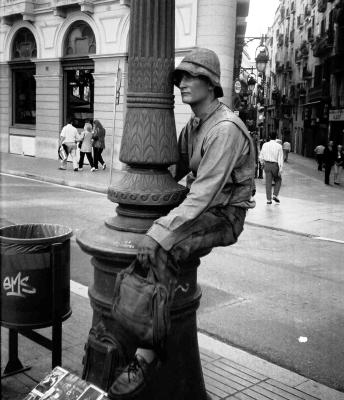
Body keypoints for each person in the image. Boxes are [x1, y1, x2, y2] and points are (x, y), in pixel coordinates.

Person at [110, 48, 256, 398]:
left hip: (224, 215)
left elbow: (202, 193)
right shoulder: (194, 125)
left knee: (164, 247)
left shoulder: (224, 130)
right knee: (151, 246)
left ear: (211, 84)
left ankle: (147, 355)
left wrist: (159, 232)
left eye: (191, 77)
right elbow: (174, 170)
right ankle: (139, 333)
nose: (182, 84)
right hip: (203, 206)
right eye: (180, 78)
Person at [259, 131, 283, 204]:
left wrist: (262, 163)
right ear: (276, 137)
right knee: (278, 179)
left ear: (269, 137)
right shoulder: (279, 146)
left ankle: (268, 200)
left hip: (267, 165)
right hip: (275, 165)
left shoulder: (265, 145)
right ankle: (275, 195)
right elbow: (280, 158)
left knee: (268, 182)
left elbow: (261, 156)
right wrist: (280, 169)